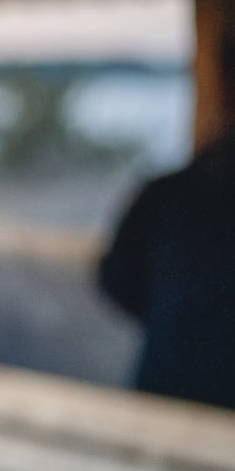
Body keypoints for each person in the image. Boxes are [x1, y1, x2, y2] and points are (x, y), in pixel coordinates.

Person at [99, 116, 235, 409]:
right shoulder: (166, 192)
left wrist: (174, 316)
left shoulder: (166, 190)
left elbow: (114, 281)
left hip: (163, 389)